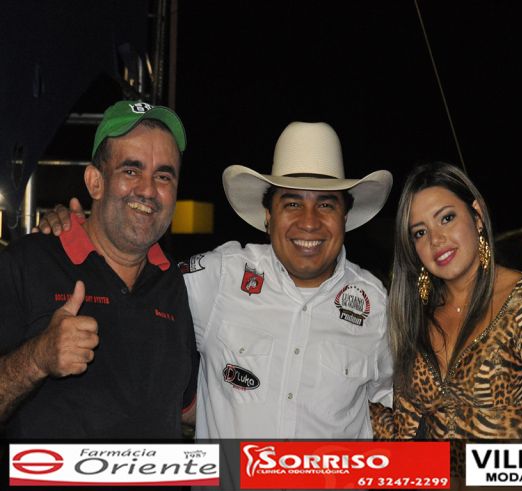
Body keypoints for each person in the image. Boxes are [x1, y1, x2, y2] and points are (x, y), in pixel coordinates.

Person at [35, 121, 394, 439]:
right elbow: (132, 276)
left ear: (345, 217)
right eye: (292, 204)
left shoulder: (376, 304)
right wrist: (81, 228)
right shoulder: (221, 275)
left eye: (327, 205)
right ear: (268, 216)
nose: (309, 222)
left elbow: (404, 406)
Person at [0, 100, 198, 438]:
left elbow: (191, 409)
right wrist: (37, 358)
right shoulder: (27, 263)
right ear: (95, 182)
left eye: (163, 176)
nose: (148, 190)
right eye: (131, 171)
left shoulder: (178, 285)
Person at [371, 161, 522, 470]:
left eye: (446, 218)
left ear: (477, 215)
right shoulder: (417, 316)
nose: (436, 239)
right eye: (420, 232)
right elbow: (405, 437)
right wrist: (346, 398)